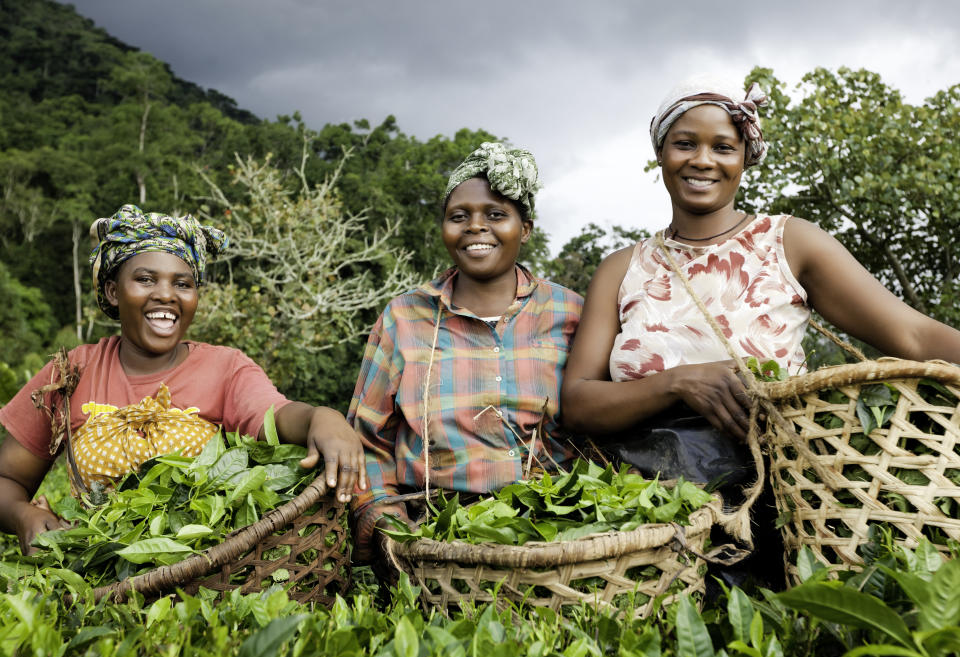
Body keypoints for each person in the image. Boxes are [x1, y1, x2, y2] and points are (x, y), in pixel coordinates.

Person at [561, 76, 960, 581]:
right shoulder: (623, 268)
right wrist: (680, 381)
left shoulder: (788, 243)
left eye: (723, 147)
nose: (703, 160)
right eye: (685, 143)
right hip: (646, 519)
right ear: (661, 153)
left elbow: (913, 337)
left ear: (744, 159)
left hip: (776, 500)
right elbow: (577, 403)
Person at [0, 205, 366, 554]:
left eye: (183, 284)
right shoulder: (71, 373)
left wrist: (323, 417)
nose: (166, 294)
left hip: (205, 572)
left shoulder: (225, 369)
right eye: (145, 279)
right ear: (113, 291)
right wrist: (24, 515)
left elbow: (279, 415)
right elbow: (8, 481)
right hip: (92, 577)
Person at [349, 142, 583, 561]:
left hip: (553, 528)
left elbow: (599, 422)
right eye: (459, 217)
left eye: (496, 215)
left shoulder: (569, 311)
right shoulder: (405, 317)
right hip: (430, 532)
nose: (476, 227)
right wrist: (384, 514)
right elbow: (367, 439)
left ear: (525, 228)